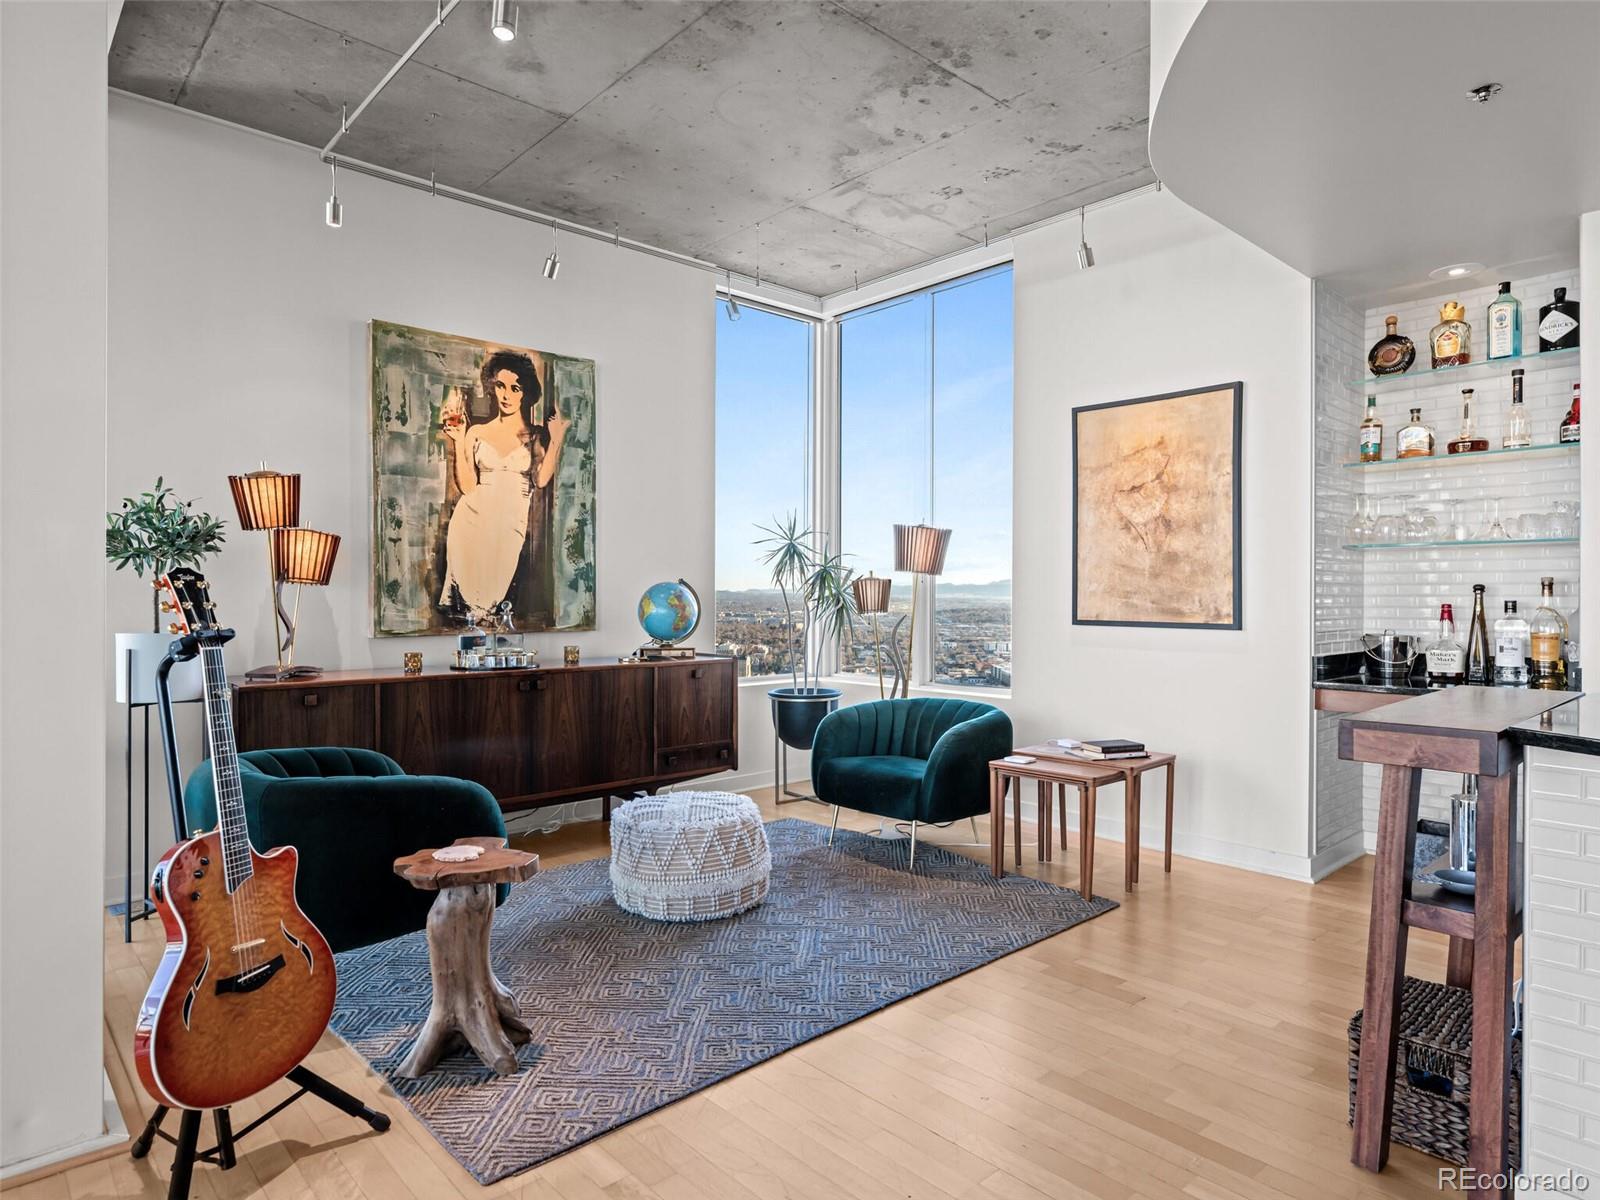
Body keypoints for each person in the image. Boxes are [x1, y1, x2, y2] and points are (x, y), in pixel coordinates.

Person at [439, 350, 569, 618]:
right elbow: (467, 486)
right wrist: (458, 438)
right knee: (471, 605)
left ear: (525, 393)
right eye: (500, 385)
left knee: (491, 596)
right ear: (492, 387)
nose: (506, 395)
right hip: (471, 520)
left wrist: (556, 440)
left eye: (515, 388)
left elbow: (541, 480)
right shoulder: (477, 432)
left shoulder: (534, 436)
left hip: (510, 523)